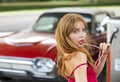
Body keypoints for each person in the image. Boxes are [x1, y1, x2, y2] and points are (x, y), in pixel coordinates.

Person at [55, 13, 110, 82]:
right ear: (65, 35)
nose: (82, 35)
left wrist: (104, 54)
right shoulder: (79, 55)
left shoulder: (65, 54)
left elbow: (92, 75)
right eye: (75, 31)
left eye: (83, 30)